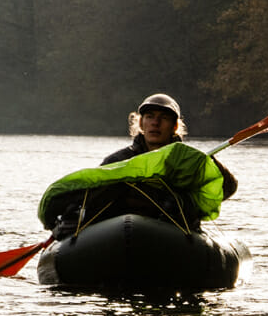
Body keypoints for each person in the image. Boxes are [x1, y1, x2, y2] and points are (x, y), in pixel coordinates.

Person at [39, 92, 237, 235]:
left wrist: (209, 162)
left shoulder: (191, 163)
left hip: (173, 232)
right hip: (118, 231)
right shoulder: (118, 161)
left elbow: (228, 188)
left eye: (164, 118)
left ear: (175, 126)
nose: (155, 123)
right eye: (150, 117)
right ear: (140, 123)